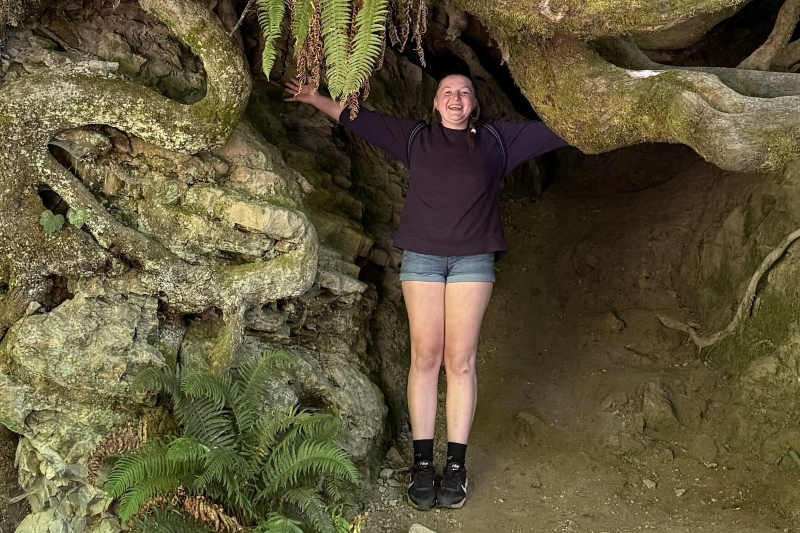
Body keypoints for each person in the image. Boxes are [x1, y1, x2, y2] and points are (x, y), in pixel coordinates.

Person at [284, 73, 567, 510]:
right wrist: (314, 97)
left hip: (473, 261)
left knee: (460, 361)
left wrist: (626, 107)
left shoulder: (498, 140)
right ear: (435, 103)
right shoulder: (416, 137)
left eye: (465, 92)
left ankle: (455, 467)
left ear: (474, 104)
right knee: (425, 357)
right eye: (447, 92)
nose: (456, 98)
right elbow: (361, 120)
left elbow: (564, 128)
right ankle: (421, 464)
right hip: (422, 260)